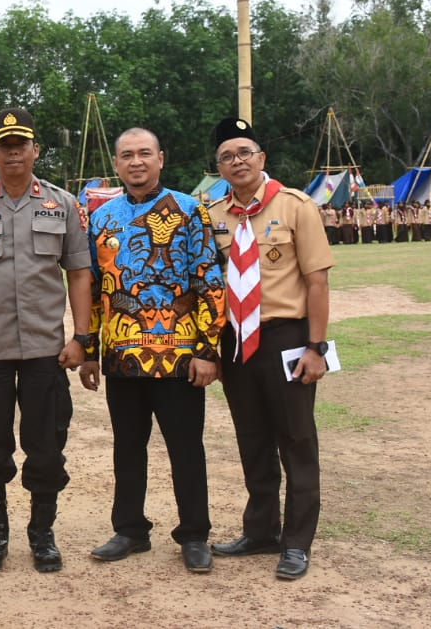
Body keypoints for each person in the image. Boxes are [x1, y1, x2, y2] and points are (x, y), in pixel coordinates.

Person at [0, 107, 92, 574]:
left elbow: (79, 273)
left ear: (35, 151)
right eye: (4, 146)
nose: (12, 153)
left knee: (46, 445)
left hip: (47, 351)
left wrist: (82, 337)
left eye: (20, 145)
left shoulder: (62, 204)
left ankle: (41, 534)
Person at [82, 128, 223, 574]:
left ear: (161, 158)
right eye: (127, 155)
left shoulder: (190, 210)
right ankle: (130, 529)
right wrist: (88, 347)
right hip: (123, 354)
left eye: (145, 154)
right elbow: (91, 289)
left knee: (186, 448)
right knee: (127, 447)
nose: (136, 162)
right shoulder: (102, 218)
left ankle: (195, 534)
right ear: (117, 164)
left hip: (181, 356)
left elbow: (209, 282)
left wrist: (208, 349)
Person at [207, 118, 334, 581]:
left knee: (296, 440)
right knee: (252, 438)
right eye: (227, 156)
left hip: (286, 336)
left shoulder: (296, 206)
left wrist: (315, 347)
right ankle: (260, 530)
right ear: (219, 167)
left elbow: (317, 282)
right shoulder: (215, 215)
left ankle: (297, 542)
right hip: (236, 342)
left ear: (262, 157)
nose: (237, 161)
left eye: (244, 152)